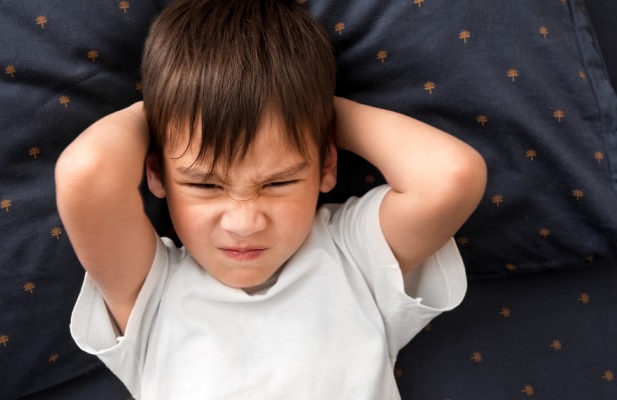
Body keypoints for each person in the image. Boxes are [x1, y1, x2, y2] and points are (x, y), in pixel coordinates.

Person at [54, 0, 487, 398]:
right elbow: (87, 176)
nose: (244, 224)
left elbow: (452, 176)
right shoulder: (150, 292)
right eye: (205, 186)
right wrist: (168, 108)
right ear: (155, 173)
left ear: (326, 167)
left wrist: (309, 111)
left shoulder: (355, 257)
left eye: (278, 183)